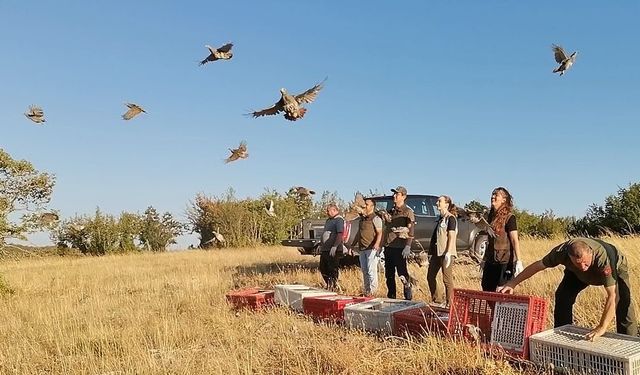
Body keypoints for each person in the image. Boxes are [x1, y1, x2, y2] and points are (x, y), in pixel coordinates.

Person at [497, 237, 637, 340]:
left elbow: (613, 296)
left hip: (615, 267)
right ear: (569, 258)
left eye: (585, 264)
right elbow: (537, 266)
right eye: (578, 263)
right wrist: (513, 283)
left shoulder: (603, 259)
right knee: (563, 295)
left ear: (591, 253)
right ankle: (562, 335)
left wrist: (601, 327)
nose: (582, 267)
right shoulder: (561, 252)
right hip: (574, 273)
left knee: (624, 301)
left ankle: (629, 343)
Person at [480, 187, 524, 291]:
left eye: (496, 195)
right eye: (492, 194)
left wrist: (518, 261)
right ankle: (491, 308)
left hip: (505, 261)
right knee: (486, 288)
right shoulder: (490, 216)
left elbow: (514, 240)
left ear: (504, 200)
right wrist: (484, 259)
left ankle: (501, 308)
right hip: (490, 260)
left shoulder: (510, 217)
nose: (493, 197)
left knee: (501, 290)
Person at [381, 186, 415, 300]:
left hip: (400, 248)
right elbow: (386, 228)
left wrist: (408, 246)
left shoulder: (407, 212)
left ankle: (408, 298)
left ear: (404, 197)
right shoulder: (391, 211)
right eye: (394, 194)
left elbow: (411, 230)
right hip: (389, 246)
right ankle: (391, 298)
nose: (394, 196)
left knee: (402, 274)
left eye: (397, 194)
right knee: (389, 275)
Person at [427, 195, 458, 306]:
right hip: (436, 253)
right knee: (430, 276)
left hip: (446, 253)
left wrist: (448, 253)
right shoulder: (440, 219)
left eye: (439, 201)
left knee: (447, 279)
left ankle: (450, 304)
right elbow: (435, 237)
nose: (437, 203)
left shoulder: (451, 218)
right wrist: (430, 252)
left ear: (447, 204)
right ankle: (437, 300)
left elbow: (451, 236)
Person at [351, 198, 384, 296]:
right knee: (364, 270)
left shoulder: (376, 218)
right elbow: (359, 233)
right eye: (364, 204)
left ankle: (373, 292)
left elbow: (380, 232)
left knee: (371, 271)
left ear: (372, 206)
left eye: (367, 204)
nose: (365, 206)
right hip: (362, 248)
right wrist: (352, 245)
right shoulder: (362, 219)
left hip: (371, 248)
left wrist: (377, 244)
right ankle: (367, 291)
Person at [319, 203, 344, 291]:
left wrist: (335, 246)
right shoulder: (328, 220)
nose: (327, 212)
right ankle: (328, 284)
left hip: (333, 249)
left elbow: (340, 234)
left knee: (332, 268)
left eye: (328, 210)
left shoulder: (339, 220)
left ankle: (334, 285)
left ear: (334, 210)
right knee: (323, 268)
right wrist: (320, 244)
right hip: (325, 249)